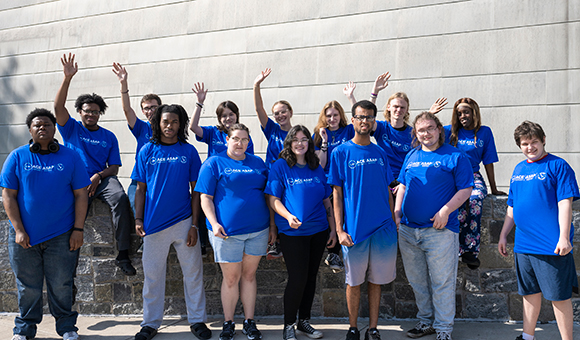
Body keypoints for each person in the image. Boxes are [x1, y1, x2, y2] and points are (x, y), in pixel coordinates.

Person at [1, 109, 90, 340]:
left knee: (61, 284)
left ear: (54, 129)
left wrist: (78, 229)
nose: (42, 128)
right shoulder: (17, 156)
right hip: (24, 236)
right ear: (30, 130)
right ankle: (24, 329)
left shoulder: (71, 156)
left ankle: (67, 328)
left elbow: (81, 194)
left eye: (47, 125)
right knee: (27, 286)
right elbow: (8, 195)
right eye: (37, 125)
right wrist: (19, 229)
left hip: (62, 234)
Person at [132, 104, 210, 340]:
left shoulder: (188, 151)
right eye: (165, 121)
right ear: (158, 123)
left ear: (181, 124)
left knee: (193, 274)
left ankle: (197, 321)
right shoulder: (147, 150)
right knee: (153, 277)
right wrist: (138, 218)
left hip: (184, 223)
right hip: (153, 225)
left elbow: (196, 191)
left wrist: (195, 225)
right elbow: (140, 189)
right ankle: (150, 323)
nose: (169, 126)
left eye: (174, 122)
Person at [54, 53, 136, 275]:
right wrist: (67, 78)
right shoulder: (71, 128)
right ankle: (67, 268)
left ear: (100, 114)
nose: (91, 114)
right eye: (87, 111)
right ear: (80, 112)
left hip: (102, 179)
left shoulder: (109, 136)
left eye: (95, 111)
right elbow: (58, 108)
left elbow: (115, 167)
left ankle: (123, 254)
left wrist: (98, 176)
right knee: (71, 219)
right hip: (76, 182)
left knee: (120, 198)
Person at [395, 112, 473, 340]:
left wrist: (445, 210)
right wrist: (397, 212)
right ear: (416, 134)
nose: (426, 133)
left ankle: (443, 329)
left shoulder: (455, 156)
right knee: (418, 282)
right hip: (409, 231)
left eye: (430, 128)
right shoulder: (411, 155)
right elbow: (402, 185)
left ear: (440, 129)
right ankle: (426, 322)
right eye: (421, 130)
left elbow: (466, 189)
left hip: (440, 231)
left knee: (442, 282)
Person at [498, 121, 578, 340]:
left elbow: (565, 203)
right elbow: (512, 206)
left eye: (534, 142)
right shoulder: (519, 169)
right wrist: (504, 234)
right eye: (524, 143)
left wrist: (563, 237)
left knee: (559, 297)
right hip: (524, 245)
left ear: (543, 140)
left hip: (551, 245)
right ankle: (527, 337)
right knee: (529, 293)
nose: (530, 147)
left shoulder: (558, 166)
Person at [328, 100, 398, 340]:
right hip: (355, 232)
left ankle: (374, 328)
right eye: (360, 117)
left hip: (383, 230)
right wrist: (339, 230)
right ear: (353, 120)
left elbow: (388, 189)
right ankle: (353, 327)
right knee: (353, 282)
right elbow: (336, 194)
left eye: (369, 117)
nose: (364, 121)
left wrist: (393, 224)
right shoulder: (341, 152)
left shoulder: (380, 152)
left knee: (376, 281)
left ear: (374, 121)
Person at [195, 124, 271, 340]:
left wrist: (273, 227)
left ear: (249, 142)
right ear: (227, 140)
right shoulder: (214, 163)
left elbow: (268, 194)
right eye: (236, 138)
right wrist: (214, 222)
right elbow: (205, 198)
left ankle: (249, 322)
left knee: (248, 276)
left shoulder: (258, 163)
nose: (240, 143)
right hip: (227, 233)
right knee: (231, 279)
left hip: (258, 230)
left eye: (244, 139)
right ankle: (228, 323)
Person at [266, 125, 337, 340]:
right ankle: (288, 324)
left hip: (318, 231)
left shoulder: (316, 167)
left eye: (304, 139)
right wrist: (288, 216)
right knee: (297, 278)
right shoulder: (280, 166)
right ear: (289, 143)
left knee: (310, 278)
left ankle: (304, 322)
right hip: (292, 233)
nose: (300, 143)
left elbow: (327, 200)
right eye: (295, 139)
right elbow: (273, 199)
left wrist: (333, 229)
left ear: (309, 143)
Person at [444, 98, 506, 269]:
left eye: (466, 112)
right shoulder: (450, 131)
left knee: (474, 200)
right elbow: (426, 132)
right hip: (453, 177)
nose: (462, 116)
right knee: (454, 206)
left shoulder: (484, 132)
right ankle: (454, 248)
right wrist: (433, 112)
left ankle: (470, 250)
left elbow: (488, 161)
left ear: (474, 112)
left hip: (473, 176)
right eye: (459, 113)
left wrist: (493, 188)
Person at [253, 68, 294, 259]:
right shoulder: (272, 130)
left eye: (283, 112)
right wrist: (256, 85)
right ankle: (274, 242)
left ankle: (286, 239)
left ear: (290, 112)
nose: (280, 116)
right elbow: (259, 110)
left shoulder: (299, 134)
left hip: (291, 178)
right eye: (276, 113)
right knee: (272, 207)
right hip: (272, 178)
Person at [112, 62, 161, 215]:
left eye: (154, 107)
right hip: (139, 179)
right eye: (147, 108)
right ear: (142, 111)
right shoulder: (141, 128)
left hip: (159, 178)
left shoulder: (169, 128)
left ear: (160, 107)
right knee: (137, 212)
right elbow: (127, 109)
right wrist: (123, 83)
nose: (150, 110)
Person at [312, 100, 354, 273]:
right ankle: (333, 252)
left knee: (347, 213)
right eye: (328, 115)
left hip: (348, 179)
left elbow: (360, 116)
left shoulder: (349, 130)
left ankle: (349, 246)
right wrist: (324, 141)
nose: (332, 118)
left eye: (335, 115)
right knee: (332, 214)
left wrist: (352, 97)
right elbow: (320, 165)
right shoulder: (319, 133)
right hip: (329, 180)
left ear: (341, 115)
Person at [189, 82, 255, 157]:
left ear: (236, 115)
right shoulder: (213, 132)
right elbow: (193, 127)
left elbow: (249, 159)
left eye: (231, 114)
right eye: (224, 116)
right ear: (219, 119)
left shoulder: (244, 136)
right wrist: (199, 103)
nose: (228, 118)